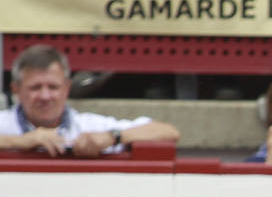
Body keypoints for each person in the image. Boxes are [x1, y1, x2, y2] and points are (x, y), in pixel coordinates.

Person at [0, 44, 179, 156]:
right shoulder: (4, 123)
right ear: (16, 89)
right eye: (35, 87)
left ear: (67, 88)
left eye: (53, 87)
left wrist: (113, 137)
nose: (45, 96)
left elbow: (168, 132)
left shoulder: (88, 125)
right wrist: (21, 141)